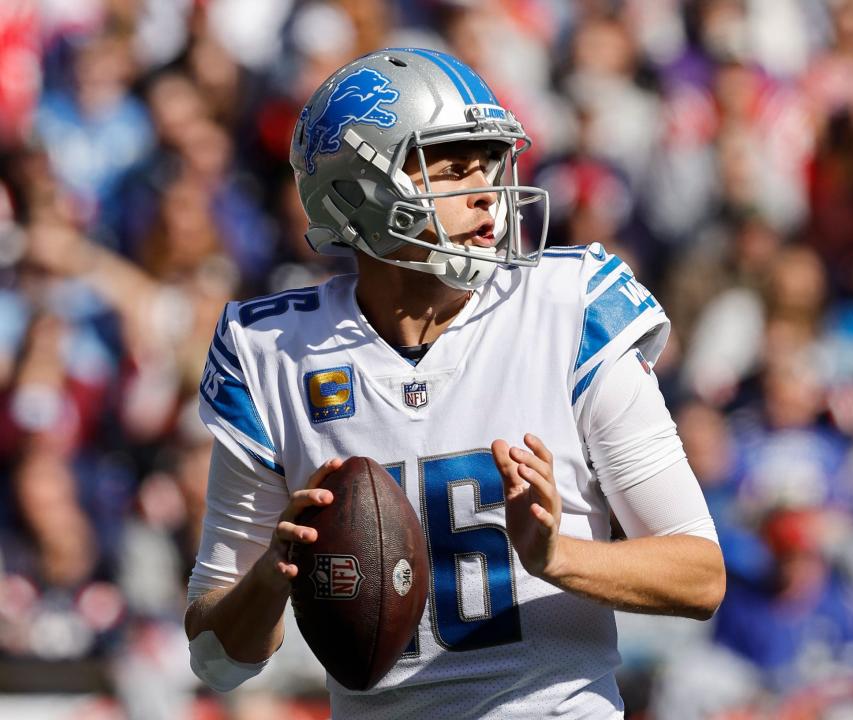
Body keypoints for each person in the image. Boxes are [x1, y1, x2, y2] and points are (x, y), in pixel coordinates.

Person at [183, 47, 725, 719]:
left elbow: (700, 574)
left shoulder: (570, 307)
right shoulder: (272, 352)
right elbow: (215, 658)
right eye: (453, 168)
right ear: (360, 190)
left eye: (490, 165)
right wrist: (270, 578)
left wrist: (558, 558)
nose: (486, 193)